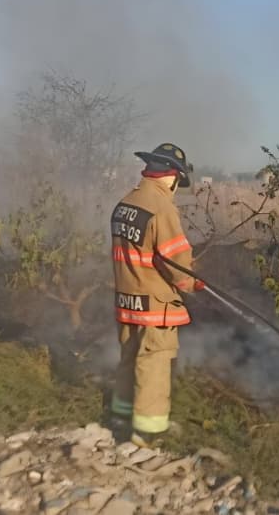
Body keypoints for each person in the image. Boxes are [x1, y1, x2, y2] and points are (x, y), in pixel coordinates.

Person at [108, 142, 203, 447]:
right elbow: (177, 263)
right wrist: (193, 284)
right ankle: (147, 432)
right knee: (154, 364)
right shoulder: (161, 208)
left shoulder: (125, 203)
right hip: (155, 305)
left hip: (127, 299)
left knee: (129, 358)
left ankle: (120, 417)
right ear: (173, 176)